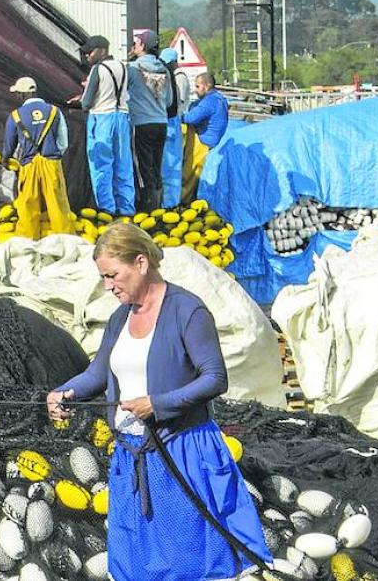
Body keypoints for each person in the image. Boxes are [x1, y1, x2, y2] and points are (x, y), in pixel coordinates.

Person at [45, 223, 271, 581]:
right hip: (132, 456)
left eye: (113, 275)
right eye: (103, 277)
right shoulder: (121, 317)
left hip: (180, 451)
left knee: (188, 561)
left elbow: (215, 378)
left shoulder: (187, 311)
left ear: (141, 262)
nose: (108, 286)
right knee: (133, 560)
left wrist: (158, 403)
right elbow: (98, 373)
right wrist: (64, 392)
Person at [3, 76, 76, 239]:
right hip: (51, 162)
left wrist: (5, 159)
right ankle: (65, 241)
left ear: (22, 95)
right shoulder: (54, 111)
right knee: (58, 205)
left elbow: (9, 146)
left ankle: (28, 243)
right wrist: (52, 156)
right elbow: (63, 142)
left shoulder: (15, 115)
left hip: (29, 164)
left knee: (28, 205)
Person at [79, 34, 135, 216]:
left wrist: (81, 99)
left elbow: (86, 103)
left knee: (101, 166)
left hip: (101, 118)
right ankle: (126, 209)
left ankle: (106, 209)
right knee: (123, 165)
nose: (87, 55)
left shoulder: (98, 69)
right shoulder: (123, 67)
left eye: (90, 52)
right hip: (122, 117)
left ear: (102, 51)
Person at [126, 29, 173, 212]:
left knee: (142, 168)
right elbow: (169, 101)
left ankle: (147, 210)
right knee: (156, 165)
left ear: (143, 46)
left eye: (136, 43)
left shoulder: (132, 69)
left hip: (141, 123)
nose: (134, 46)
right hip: (161, 123)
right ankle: (159, 206)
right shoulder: (165, 71)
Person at [182, 72, 229, 202]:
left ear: (207, 86)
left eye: (197, 87)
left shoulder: (209, 102)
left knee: (190, 174)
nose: (195, 90)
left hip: (203, 142)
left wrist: (175, 116)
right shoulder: (220, 99)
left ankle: (183, 202)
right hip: (215, 142)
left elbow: (191, 118)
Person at [157, 47, 186, 209]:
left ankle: (171, 204)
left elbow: (175, 102)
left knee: (171, 165)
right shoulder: (171, 75)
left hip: (174, 122)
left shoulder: (178, 78)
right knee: (166, 165)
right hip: (170, 123)